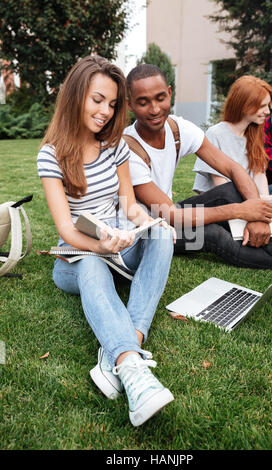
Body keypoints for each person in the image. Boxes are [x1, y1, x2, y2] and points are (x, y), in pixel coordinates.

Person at [37, 55, 175, 427]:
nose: (105, 111)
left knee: (162, 232)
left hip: (118, 242)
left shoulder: (115, 146)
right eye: (98, 100)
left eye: (112, 104)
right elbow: (66, 229)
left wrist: (145, 224)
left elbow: (129, 203)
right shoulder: (51, 156)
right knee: (90, 260)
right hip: (76, 258)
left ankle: (126, 343)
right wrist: (99, 245)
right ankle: (133, 370)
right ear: (76, 95)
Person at [124, 64, 272, 277]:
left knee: (229, 190)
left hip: (170, 211)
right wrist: (239, 210)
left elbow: (233, 168)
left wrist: (257, 213)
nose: (154, 109)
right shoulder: (128, 149)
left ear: (170, 93)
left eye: (160, 98)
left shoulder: (179, 129)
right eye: (143, 102)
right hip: (144, 232)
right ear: (129, 104)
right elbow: (169, 215)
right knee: (213, 235)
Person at [193, 75, 272, 246]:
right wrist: (265, 201)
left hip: (254, 199)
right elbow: (223, 191)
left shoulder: (254, 133)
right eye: (262, 106)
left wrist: (265, 197)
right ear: (245, 104)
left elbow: (259, 173)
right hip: (228, 208)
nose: (267, 111)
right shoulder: (216, 134)